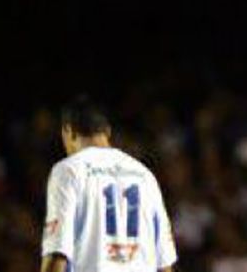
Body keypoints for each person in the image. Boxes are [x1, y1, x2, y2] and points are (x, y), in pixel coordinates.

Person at [41, 96, 178, 272]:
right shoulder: (145, 175)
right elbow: (165, 264)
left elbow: (57, 253)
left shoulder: (68, 171)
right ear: (107, 131)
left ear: (68, 131)